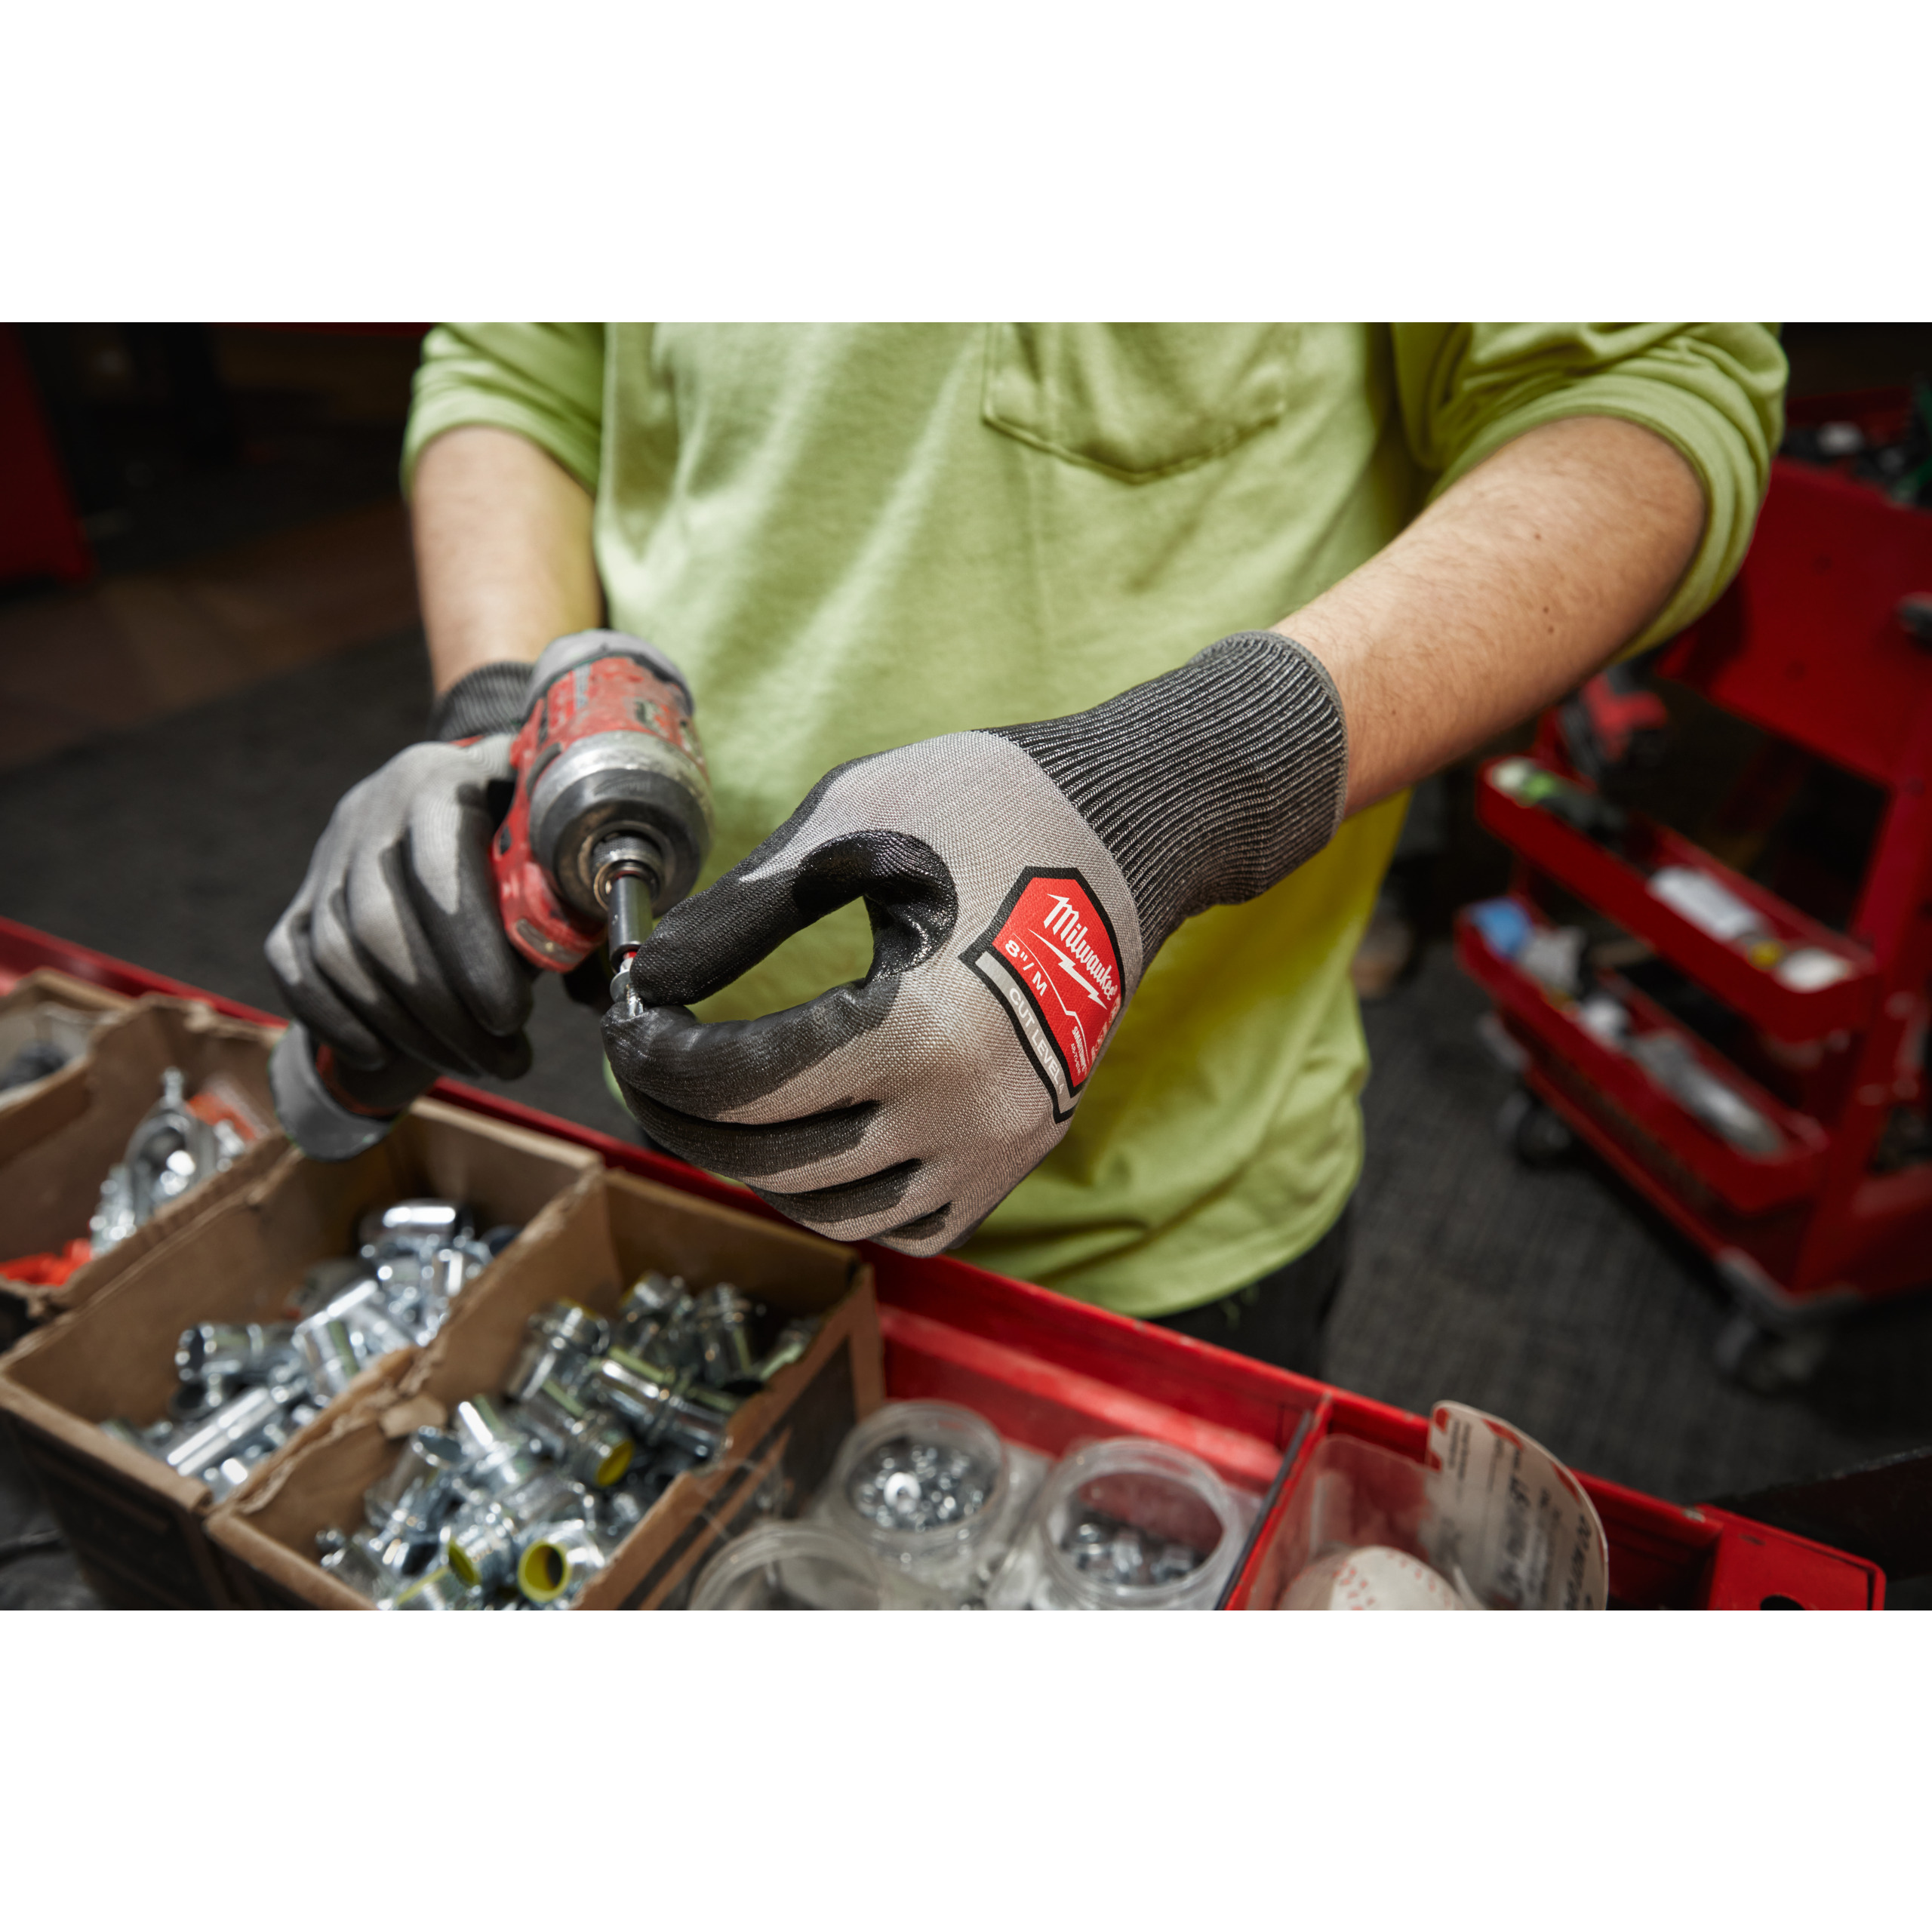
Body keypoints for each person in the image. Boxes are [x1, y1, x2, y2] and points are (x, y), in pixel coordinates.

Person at [266, 324, 1785, 1377]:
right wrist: (509, 712)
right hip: (670, 1169)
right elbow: (519, 363)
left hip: (1151, 1236)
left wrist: (1177, 786)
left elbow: (1648, 395)